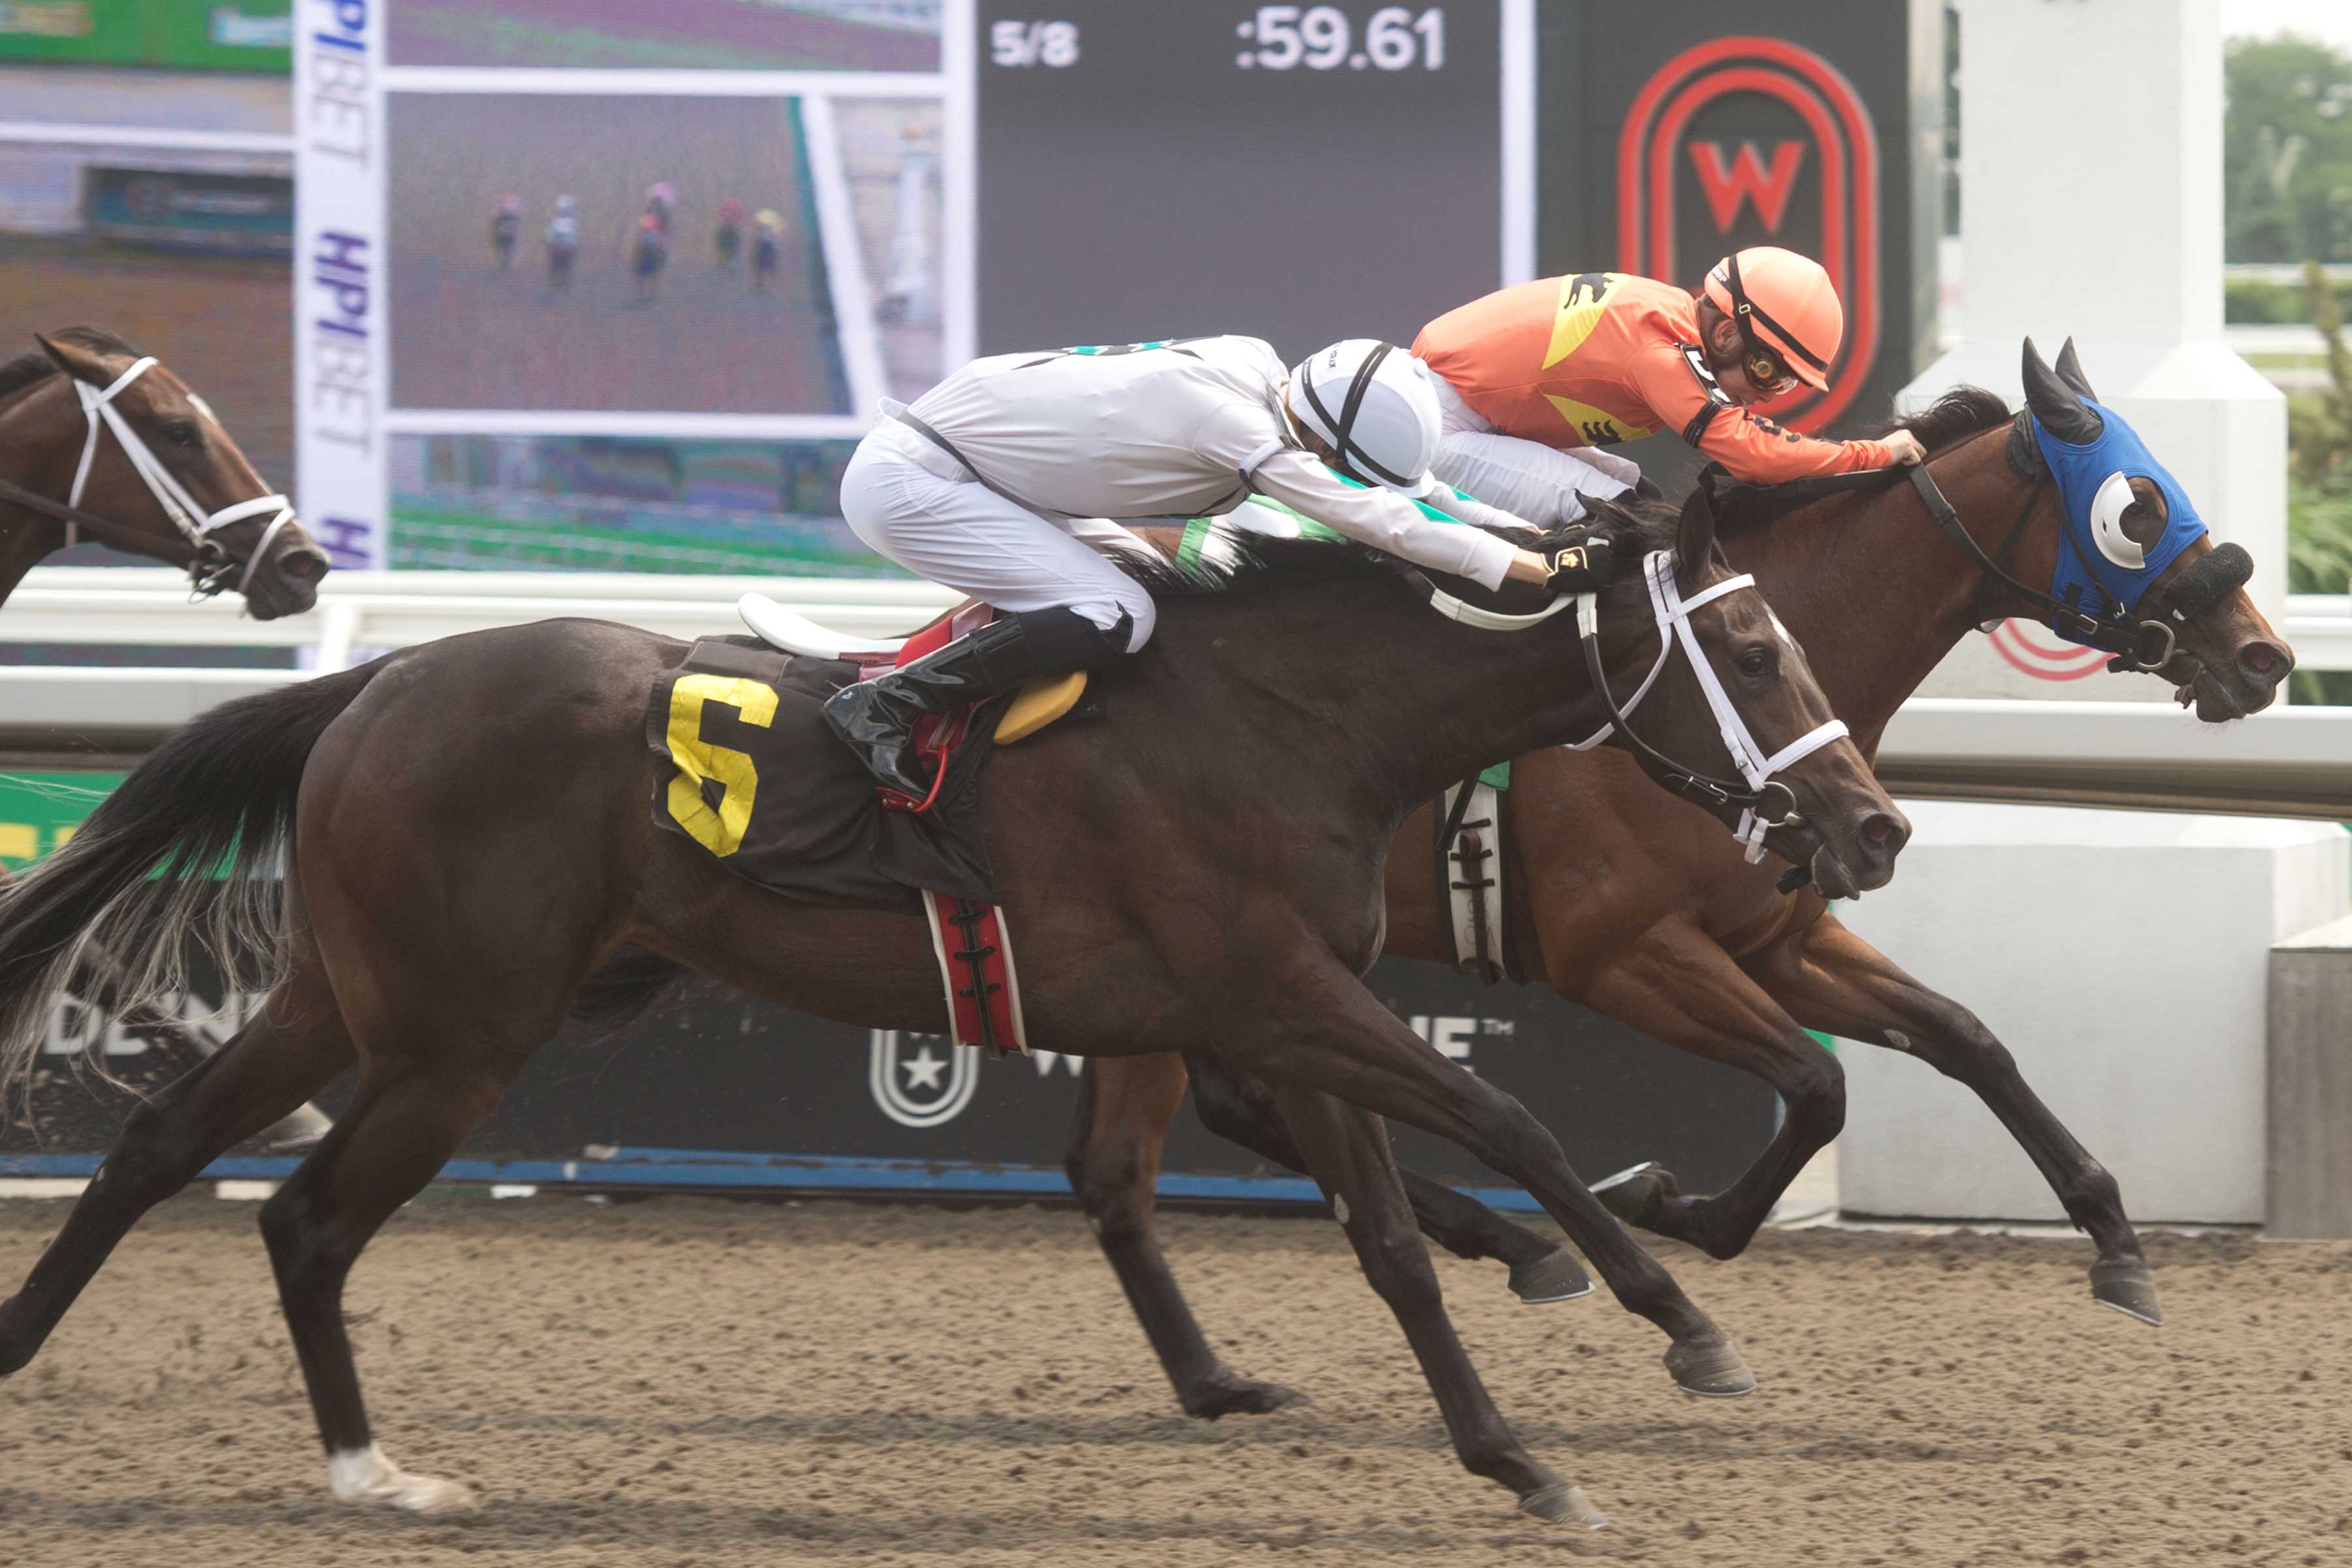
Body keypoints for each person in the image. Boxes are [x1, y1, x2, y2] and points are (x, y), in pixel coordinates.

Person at [821, 337, 1577, 799]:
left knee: (1150, 600)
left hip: (996, 478)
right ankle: (885, 705)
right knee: (1116, 614)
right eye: (1336, 466)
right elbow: (1377, 518)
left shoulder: (1268, 373)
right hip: (917, 485)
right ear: (1319, 445)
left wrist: (1530, 535)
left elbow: (1417, 493)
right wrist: (1526, 571)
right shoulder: (1238, 426)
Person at [1411, 246, 1926, 529]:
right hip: (1437, 426)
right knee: (1622, 517)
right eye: (1769, 371)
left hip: (1451, 409)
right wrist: (1873, 454)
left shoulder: (1671, 319)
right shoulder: (1660, 354)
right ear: (1726, 334)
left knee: (1639, 494)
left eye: (1788, 382)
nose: (1771, 394)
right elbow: (1757, 458)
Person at [544, 195, 580, 291]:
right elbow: (574, 238)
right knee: (564, 267)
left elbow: (549, 237)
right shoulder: (570, 223)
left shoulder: (557, 222)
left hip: (560, 248)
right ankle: (561, 282)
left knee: (559, 266)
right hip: (565, 248)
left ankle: (559, 282)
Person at [491, 194, 521, 269]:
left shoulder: (501, 218)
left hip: (504, 236)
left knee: (505, 250)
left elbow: (496, 226)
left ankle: (505, 263)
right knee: (507, 250)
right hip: (507, 236)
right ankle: (506, 262)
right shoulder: (513, 218)